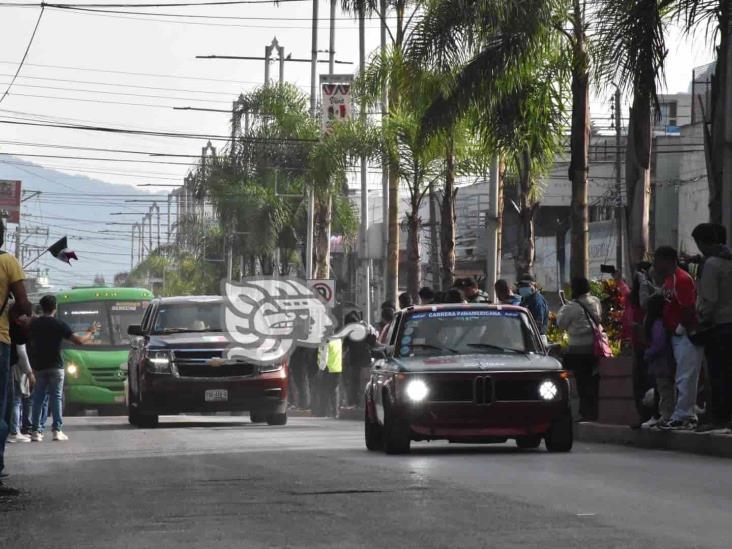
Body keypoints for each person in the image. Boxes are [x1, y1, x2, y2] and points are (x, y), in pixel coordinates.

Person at [28, 295, 97, 442]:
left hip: (39, 367)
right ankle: (56, 431)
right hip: (56, 366)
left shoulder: (34, 325)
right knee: (56, 397)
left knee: (38, 399)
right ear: (55, 308)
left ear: (41, 307)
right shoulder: (59, 324)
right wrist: (90, 332)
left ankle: (35, 431)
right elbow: (79, 341)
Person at [652, 246, 704, 431]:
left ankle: (684, 416)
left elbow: (688, 308)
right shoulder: (669, 280)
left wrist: (683, 329)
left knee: (686, 376)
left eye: (657, 260)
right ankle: (681, 413)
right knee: (681, 375)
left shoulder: (681, 280)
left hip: (687, 335)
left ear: (668, 260)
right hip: (676, 334)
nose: (655, 265)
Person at [691, 223, 732, 432]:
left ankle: (719, 417)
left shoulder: (712, 264)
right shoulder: (728, 259)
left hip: (719, 326)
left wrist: (699, 318)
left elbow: (709, 301)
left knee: (717, 375)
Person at [0, 219, 31, 496]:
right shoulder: (8, 261)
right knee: (1, 408)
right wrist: (16, 316)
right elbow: (23, 302)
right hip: (0, 341)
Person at [557, 277, 603, 421]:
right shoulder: (595, 301)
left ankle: (582, 412)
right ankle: (593, 413)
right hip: (594, 349)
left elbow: (561, 324)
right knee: (592, 381)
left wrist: (564, 307)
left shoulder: (571, 307)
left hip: (577, 350)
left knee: (580, 382)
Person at [642, 294, 676, 429]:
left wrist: (648, 353)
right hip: (662, 362)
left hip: (661, 362)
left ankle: (667, 415)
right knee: (664, 389)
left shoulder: (656, 324)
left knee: (665, 389)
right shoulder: (660, 323)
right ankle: (666, 415)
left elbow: (658, 344)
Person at [7, 311, 34, 443]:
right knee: (16, 401)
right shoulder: (18, 330)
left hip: (10, 366)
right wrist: (29, 372)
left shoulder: (8, 326)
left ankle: (12, 430)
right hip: (17, 369)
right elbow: (22, 353)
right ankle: (14, 432)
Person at [342, 311, 376, 407]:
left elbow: (344, 346)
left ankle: (355, 402)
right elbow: (373, 342)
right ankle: (361, 403)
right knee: (362, 383)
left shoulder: (349, 332)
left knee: (356, 383)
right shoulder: (365, 329)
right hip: (364, 361)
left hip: (356, 362)